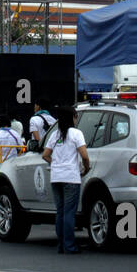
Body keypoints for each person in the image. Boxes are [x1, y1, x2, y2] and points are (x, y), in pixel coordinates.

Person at [41, 106, 90, 254]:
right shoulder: (76, 133)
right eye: (75, 116)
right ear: (72, 117)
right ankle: (70, 246)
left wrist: (55, 163)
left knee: (60, 212)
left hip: (56, 177)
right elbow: (84, 155)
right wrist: (86, 168)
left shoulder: (55, 134)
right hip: (71, 177)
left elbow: (45, 155)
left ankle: (61, 245)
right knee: (69, 213)